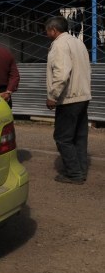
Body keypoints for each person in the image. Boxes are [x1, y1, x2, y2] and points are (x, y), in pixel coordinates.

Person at [45, 16, 92, 185]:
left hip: (69, 98)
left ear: (53, 30)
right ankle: (81, 170)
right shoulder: (78, 43)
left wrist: (53, 96)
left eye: (47, 30)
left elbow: (62, 73)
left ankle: (74, 173)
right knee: (79, 137)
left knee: (63, 138)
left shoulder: (59, 44)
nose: (46, 34)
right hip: (82, 96)